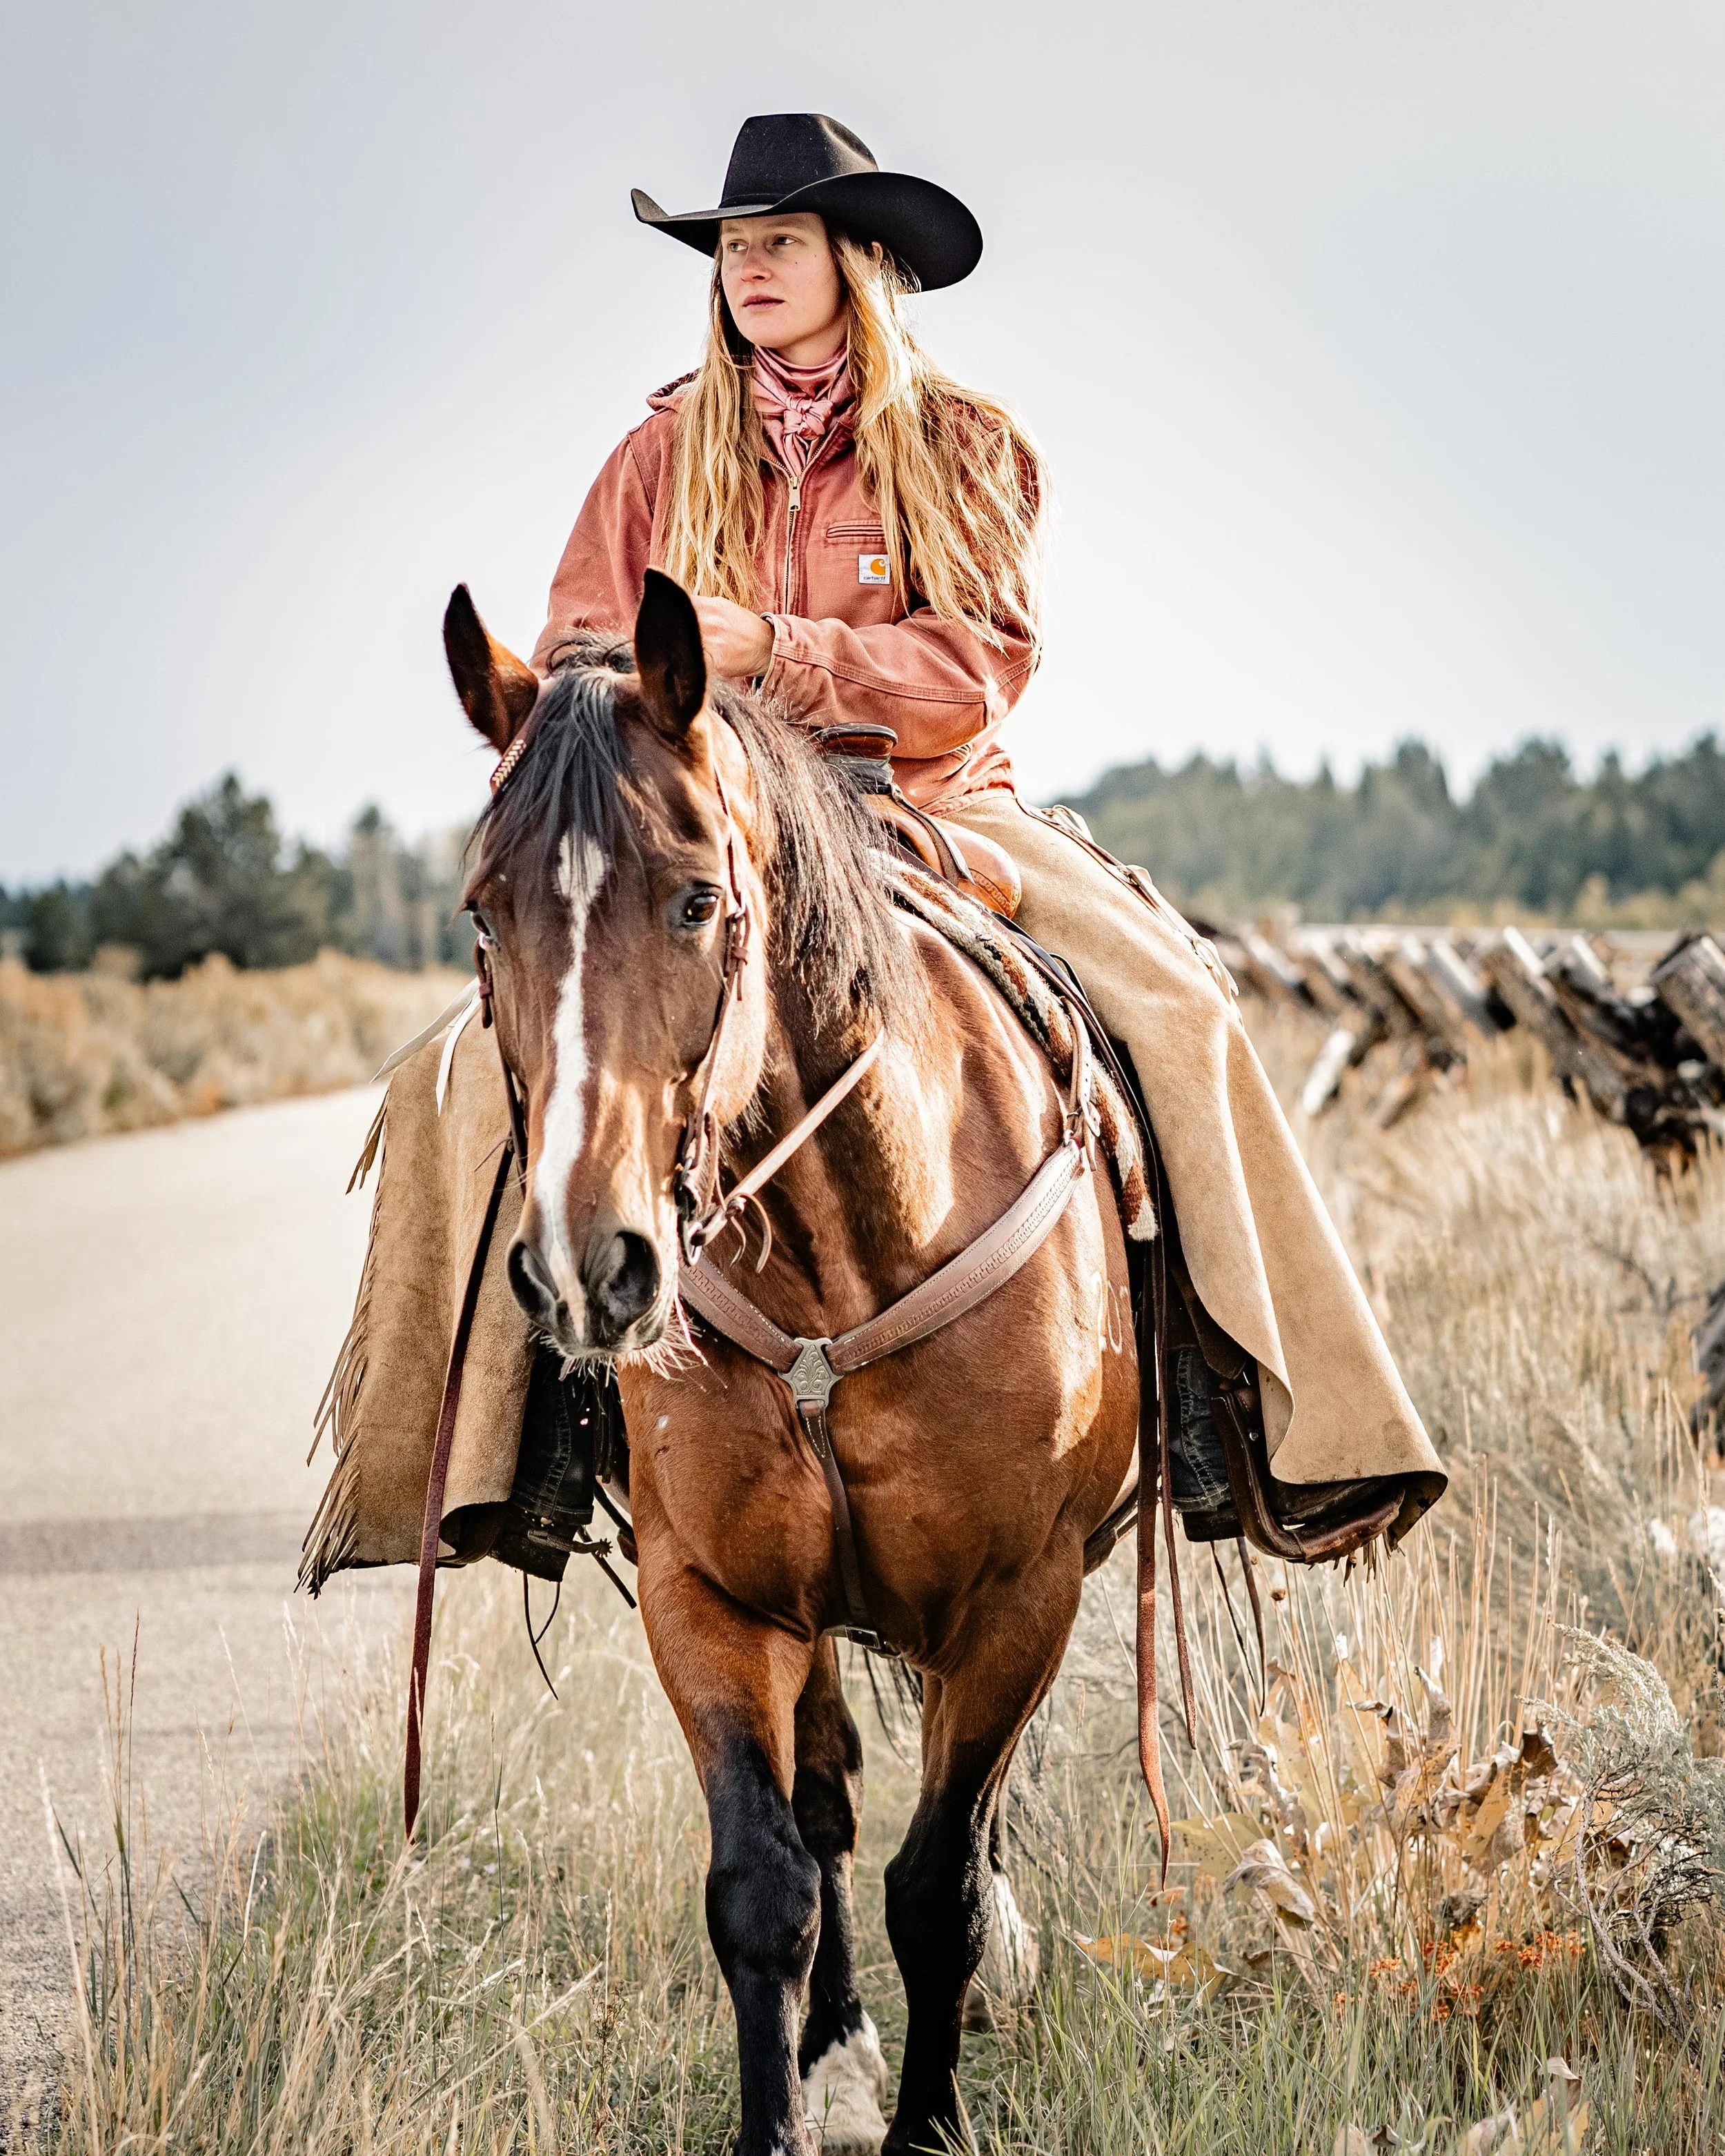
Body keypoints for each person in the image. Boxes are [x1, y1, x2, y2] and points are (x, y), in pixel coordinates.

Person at [529, 112, 1444, 1521]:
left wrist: (772, 647)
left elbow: (976, 673)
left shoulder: (959, 445)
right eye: (731, 248)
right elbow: (577, 652)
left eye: (780, 241)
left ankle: (1244, 1414)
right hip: (703, 832)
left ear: (859, 259)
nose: (749, 267)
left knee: (1181, 1011)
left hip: (933, 806)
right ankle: (507, 1451)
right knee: (484, 1068)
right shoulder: (653, 457)